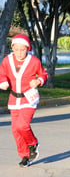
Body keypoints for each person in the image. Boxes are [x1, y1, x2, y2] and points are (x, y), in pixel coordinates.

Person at [0, 34, 48, 167]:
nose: (20, 53)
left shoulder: (34, 61)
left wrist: (38, 81)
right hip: (14, 99)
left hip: (29, 99)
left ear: (27, 48)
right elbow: (2, 73)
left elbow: (44, 74)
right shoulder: (7, 60)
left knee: (22, 125)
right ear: (12, 48)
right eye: (17, 50)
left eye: (23, 50)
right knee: (15, 130)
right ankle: (25, 156)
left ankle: (33, 143)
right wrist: (3, 82)